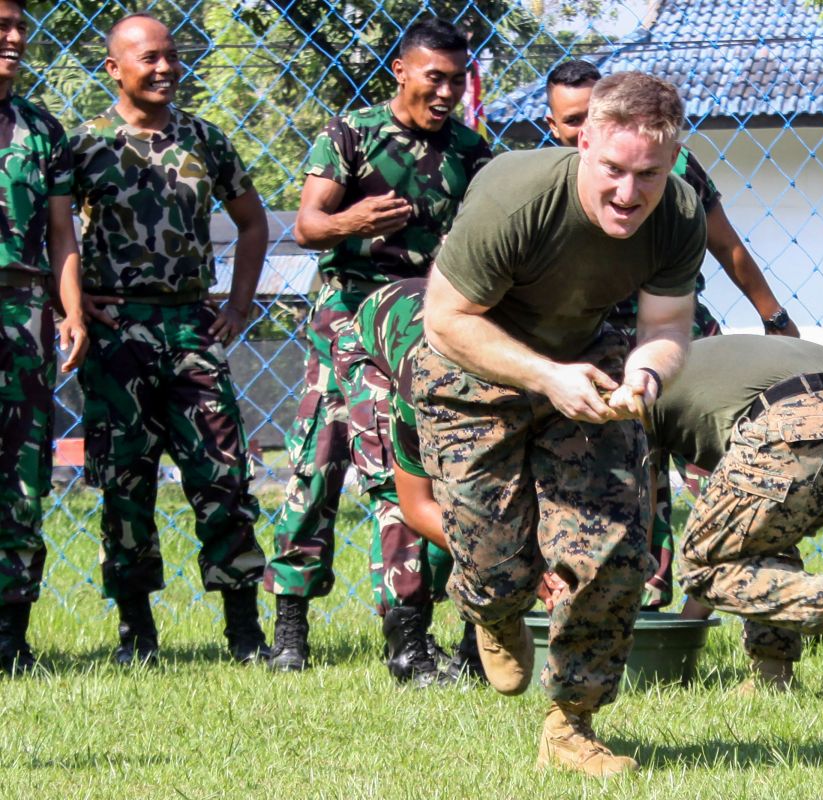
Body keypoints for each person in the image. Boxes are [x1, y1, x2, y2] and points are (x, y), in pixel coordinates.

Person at [414, 72, 706, 776]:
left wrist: (647, 372)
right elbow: (445, 320)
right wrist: (545, 376)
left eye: (649, 175)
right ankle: (492, 607)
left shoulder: (679, 213)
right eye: (613, 169)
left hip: (584, 356)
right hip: (471, 367)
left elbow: (667, 324)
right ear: (583, 142)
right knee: (496, 561)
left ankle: (572, 725)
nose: (629, 194)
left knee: (614, 549)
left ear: (673, 164)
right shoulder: (515, 197)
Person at [265, 18, 492, 672]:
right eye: (434, 77)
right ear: (401, 71)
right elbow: (308, 226)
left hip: (430, 326)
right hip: (348, 315)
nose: (447, 91)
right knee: (318, 465)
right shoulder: (351, 134)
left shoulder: (470, 152)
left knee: (418, 464)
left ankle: (419, 636)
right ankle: (290, 629)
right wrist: (354, 220)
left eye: (456, 78)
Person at [546, 59, 799, 609]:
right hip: (595, 341)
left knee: (728, 469)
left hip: (679, 331)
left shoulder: (675, 164)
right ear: (563, 129)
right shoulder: (544, 185)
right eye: (573, 121)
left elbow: (726, 244)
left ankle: (761, 603)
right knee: (629, 477)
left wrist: (773, 316)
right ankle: (646, 601)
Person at [71, 13, 270, 665]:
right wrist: (73, 299)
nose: (163, 68)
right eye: (147, 58)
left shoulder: (204, 140)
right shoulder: (87, 145)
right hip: (116, 334)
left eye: (171, 56)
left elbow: (251, 223)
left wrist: (238, 306)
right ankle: (137, 635)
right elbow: (51, 234)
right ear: (114, 68)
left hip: (190, 328)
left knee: (222, 476)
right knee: (126, 483)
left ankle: (244, 632)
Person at [654, 336, 823, 699]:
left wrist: (675, 643)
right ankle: (775, 673)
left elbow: (639, 517)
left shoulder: (632, 393)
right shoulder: (688, 358)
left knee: (702, 566)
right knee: (762, 534)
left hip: (802, 418)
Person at [0, 0, 88, 675]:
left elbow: (62, 235)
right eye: (0, 26)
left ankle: (10, 635)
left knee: (22, 476)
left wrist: (72, 312)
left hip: (22, 316)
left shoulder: (40, 130)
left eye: (18, 27)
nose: (12, 38)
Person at [334, 276, 478, 686]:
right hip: (372, 357)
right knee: (394, 492)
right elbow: (413, 498)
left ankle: (476, 648)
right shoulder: (426, 378)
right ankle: (408, 647)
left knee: (481, 497)